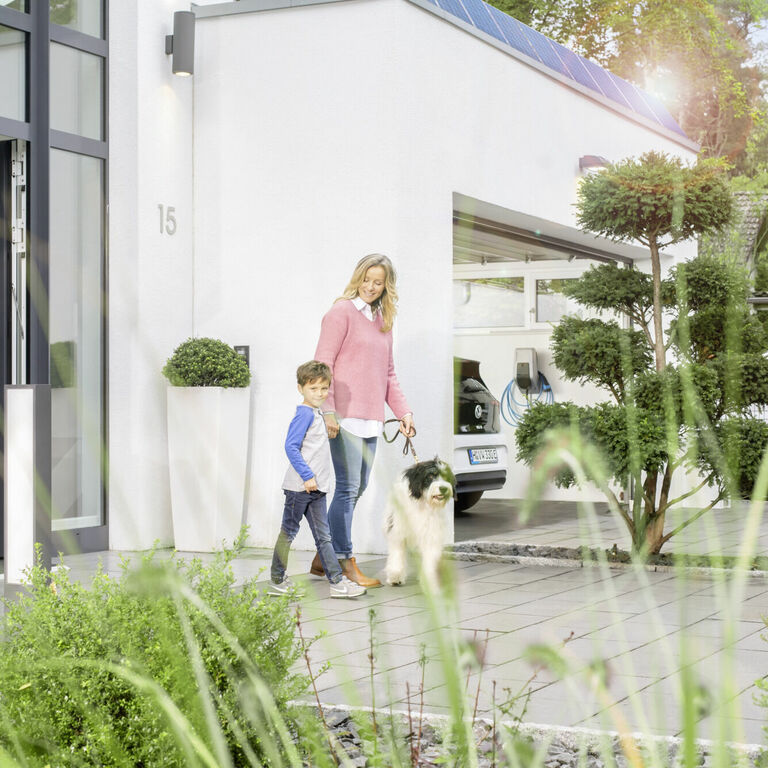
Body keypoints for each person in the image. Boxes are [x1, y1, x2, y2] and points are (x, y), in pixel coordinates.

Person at [312, 254, 415, 588]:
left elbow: (388, 374)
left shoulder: (383, 320)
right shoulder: (340, 312)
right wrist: (327, 410)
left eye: (378, 282)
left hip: (371, 419)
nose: (371, 287)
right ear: (357, 278)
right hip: (342, 417)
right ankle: (343, 562)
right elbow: (322, 364)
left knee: (357, 489)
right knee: (347, 488)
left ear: (387, 285)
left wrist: (404, 413)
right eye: (367, 280)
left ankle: (321, 554)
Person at [269, 360, 366, 599]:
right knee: (288, 533)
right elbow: (291, 447)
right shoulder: (304, 413)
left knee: (324, 537)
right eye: (313, 388)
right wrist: (307, 476)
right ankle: (277, 579)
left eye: (324, 388)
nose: (320, 393)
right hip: (300, 488)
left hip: (317, 489)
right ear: (301, 388)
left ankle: (336, 583)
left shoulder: (318, 413)